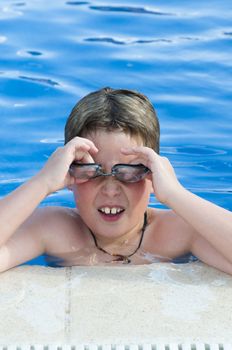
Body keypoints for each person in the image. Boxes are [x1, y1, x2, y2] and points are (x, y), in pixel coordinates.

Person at [0, 87, 231, 273]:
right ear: (70, 174)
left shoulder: (177, 231)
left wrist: (175, 195)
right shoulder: (56, 229)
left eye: (129, 172)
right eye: (92, 171)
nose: (110, 190)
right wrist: (41, 183)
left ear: (153, 176)